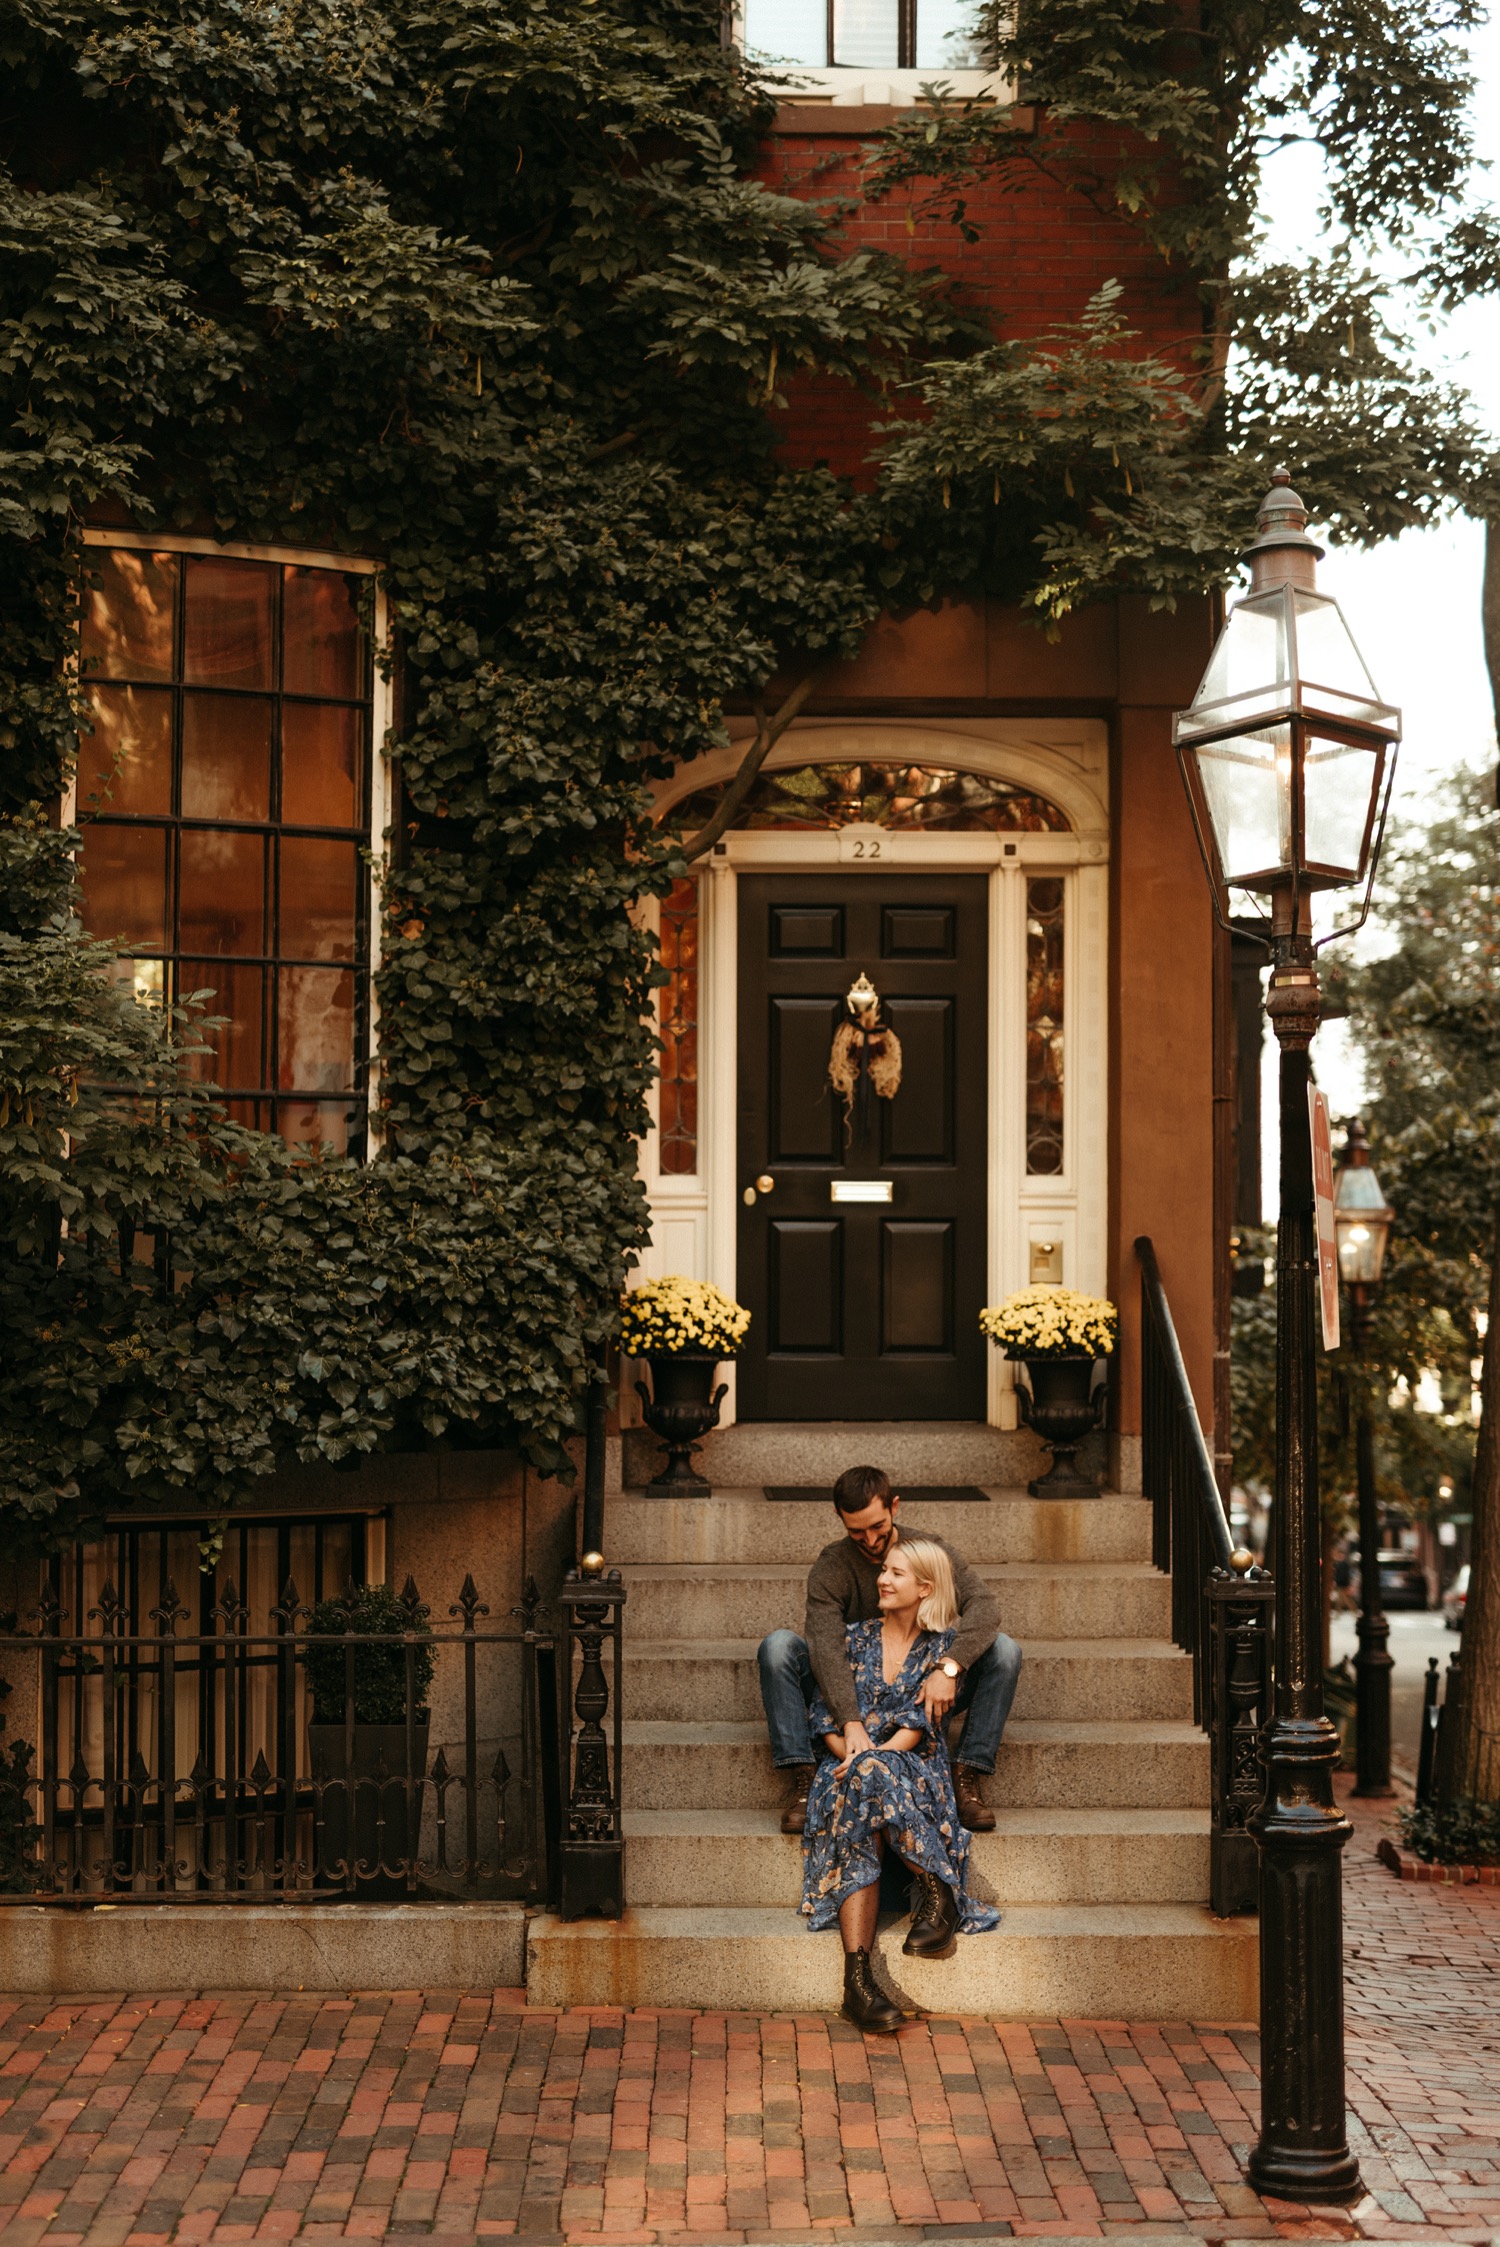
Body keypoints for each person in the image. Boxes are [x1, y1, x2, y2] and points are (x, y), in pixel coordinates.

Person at [800, 1536, 1001, 2031]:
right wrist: (857, 1756)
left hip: (914, 1767)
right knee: (863, 1794)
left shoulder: (940, 1653)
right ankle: (937, 1894)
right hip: (845, 1766)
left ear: (925, 1588)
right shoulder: (851, 1639)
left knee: (873, 1778)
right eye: (883, 1571)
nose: (882, 1580)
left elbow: (918, 1727)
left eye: (895, 1574)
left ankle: (857, 1984)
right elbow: (826, 1718)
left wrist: (871, 1758)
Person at [758, 1464, 1023, 1837]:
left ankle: (967, 1774)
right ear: (839, 1517)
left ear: (894, 1506)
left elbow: (985, 1606)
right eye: (856, 1530)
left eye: (877, 1527)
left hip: (921, 1684)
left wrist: (948, 1666)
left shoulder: (926, 1551)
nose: (868, 1540)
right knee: (779, 1647)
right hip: (855, 1683)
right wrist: (850, 1722)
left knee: (1005, 1651)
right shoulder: (832, 1565)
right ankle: (804, 1776)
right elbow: (825, 1646)